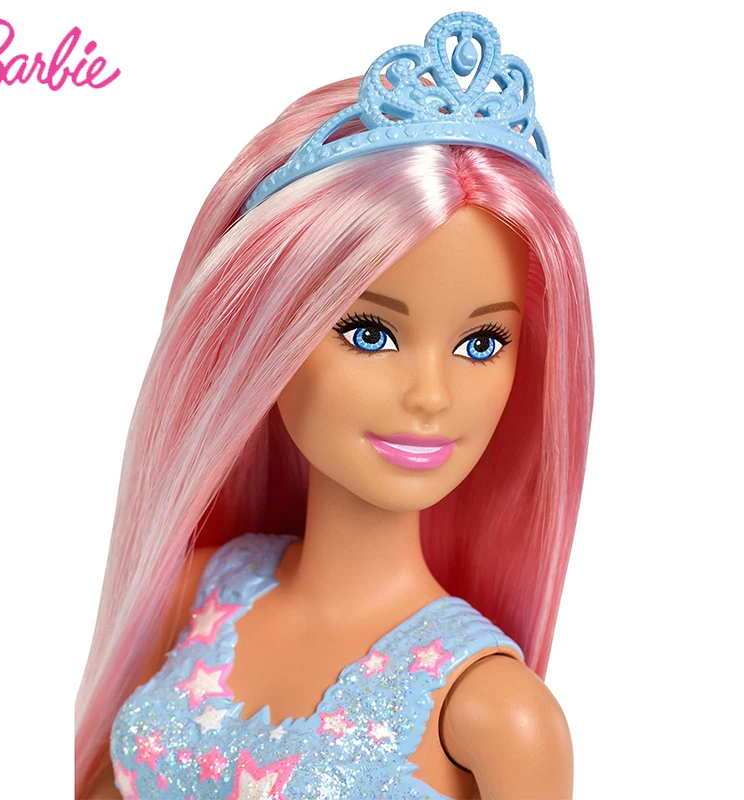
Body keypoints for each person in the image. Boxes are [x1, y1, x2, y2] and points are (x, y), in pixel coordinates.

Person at [76, 11, 593, 799]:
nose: (430, 396)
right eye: (369, 333)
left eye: (481, 343)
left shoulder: (495, 716)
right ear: (267, 336)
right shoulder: (202, 592)